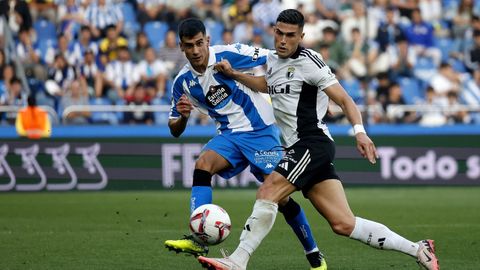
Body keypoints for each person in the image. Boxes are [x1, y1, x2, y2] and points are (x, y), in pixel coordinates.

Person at [199, 9, 439, 270]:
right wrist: (234, 75)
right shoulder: (275, 61)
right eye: (279, 33)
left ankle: (237, 261)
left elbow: (345, 99)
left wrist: (360, 131)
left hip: (310, 143)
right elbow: (267, 85)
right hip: (303, 148)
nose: (282, 40)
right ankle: (418, 249)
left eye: (290, 35)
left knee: (269, 191)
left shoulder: (310, 61)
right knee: (344, 223)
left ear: (301, 36)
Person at [164, 18, 327, 270]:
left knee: (279, 199)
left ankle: (314, 254)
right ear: (181, 47)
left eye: (199, 43)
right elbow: (174, 129)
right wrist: (183, 117)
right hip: (229, 135)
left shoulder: (229, 54)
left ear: (207, 40)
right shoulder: (182, 83)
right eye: (189, 46)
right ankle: (199, 240)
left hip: (260, 131)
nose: (196, 51)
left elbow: (272, 57)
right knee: (203, 164)